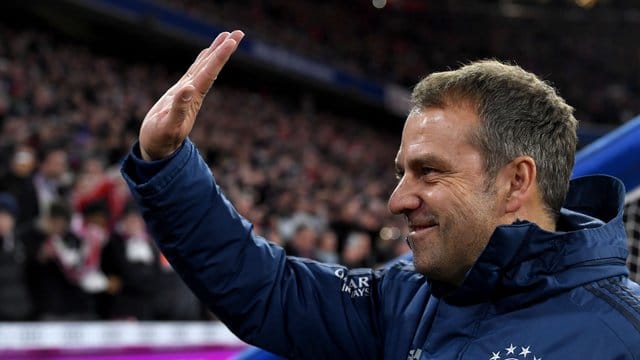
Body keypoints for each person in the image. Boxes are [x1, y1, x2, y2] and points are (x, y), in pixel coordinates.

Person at [121, 31, 640, 358]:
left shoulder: (623, 335)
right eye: (401, 173)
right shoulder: (403, 299)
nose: (397, 200)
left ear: (516, 182)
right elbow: (267, 290)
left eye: (429, 172)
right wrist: (166, 162)